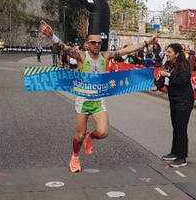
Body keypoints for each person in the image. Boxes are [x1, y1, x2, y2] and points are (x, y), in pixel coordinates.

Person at [39, 20, 157, 173]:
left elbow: (126, 51)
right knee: (79, 135)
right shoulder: (81, 56)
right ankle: (75, 157)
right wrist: (52, 36)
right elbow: (65, 48)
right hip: (83, 101)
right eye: (93, 42)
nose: (96, 45)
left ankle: (90, 137)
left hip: (98, 101)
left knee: (103, 132)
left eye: (99, 43)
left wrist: (147, 42)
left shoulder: (105, 56)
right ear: (87, 44)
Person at [154, 43, 195, 168]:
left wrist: (169, 75)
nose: (167, 54)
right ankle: (174, 152)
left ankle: (182, 157)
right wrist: (156, 85)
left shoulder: (185, 65)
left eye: (170, 52)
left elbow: (182, 80)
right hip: (174, 99)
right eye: (167, 52)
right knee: (175, 126)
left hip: (185, 100)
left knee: (181, 128)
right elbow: (162, 79)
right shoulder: (168, 64)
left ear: (177, 54)